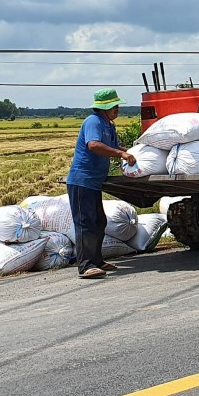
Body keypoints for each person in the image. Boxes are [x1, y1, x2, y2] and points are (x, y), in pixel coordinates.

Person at [66, 88, 136, 279]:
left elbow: (113, 147)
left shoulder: (108, 125)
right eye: (114, 106)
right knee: (85, 223)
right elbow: (94, 145)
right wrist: (121, 154)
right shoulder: (94, 122)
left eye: (117, 106)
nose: (117, 109)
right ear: (104, 108)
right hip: (82, 181)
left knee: (99, 221)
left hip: (94, 183)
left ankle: (97, 260)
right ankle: (86, 266)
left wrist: (132, 151)